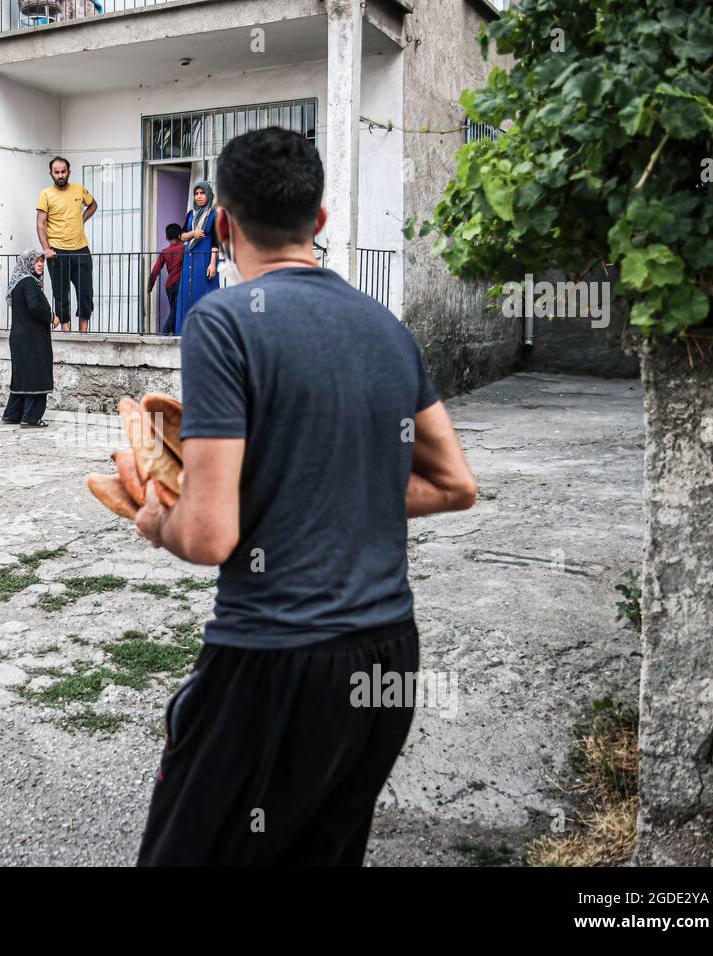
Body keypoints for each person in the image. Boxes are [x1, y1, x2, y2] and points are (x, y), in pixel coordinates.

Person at [132, 126, 478, 866]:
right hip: (387, 656)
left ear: (221, 223)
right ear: (319, 221)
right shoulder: (387, 329)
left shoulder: (222, 323)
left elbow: (211, 535)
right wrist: (332, 488)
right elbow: (455, 484)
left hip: (274, 659)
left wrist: (156, 517)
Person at [37, 157, 97, 333]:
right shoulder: (46, 194)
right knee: (61, 295)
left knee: (86, 293)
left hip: (81, 250)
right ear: (51, 174)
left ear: (69, 172)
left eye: (63, 171)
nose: (60, 175)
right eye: (56, 172)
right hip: (57, 252)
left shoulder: (79, 189)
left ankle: (83, 333)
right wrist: (46, 249)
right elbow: (41, 223)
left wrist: (82, 220)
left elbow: (93, 205)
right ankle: (66, 332)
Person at [1, 249, 54, 428]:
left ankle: (12, 414)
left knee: (22, 377)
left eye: (41, 261)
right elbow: (34, 307)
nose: (40, 264)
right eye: (36, 261)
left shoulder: (17, 282)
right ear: (27, 262)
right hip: (31, 339)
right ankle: (31, 418)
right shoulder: (29, 282)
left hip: (19, 338)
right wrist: (51, 316)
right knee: (37, 376)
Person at [175, 182, 220, 336]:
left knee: (205, 290)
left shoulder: (214, 214)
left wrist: (213, 263)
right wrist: (193, 233)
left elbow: (216, 240)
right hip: (190, 256)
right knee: (188, 292)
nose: (199, 196)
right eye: (196, 193)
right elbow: (181, 236)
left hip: (206, 256)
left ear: (208, 195)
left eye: (202, 193)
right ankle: (187, 330)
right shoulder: (191, 214)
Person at [147, 223, 185, 335]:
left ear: (167, 237)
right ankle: (164, 332)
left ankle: (173, 332)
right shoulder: (184, 249)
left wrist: (150, 285)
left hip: (168, 286)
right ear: (180, 236)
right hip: (179, 284)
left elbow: (155, 269)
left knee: (174, 310)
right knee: (175, 311)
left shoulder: (164, 251)